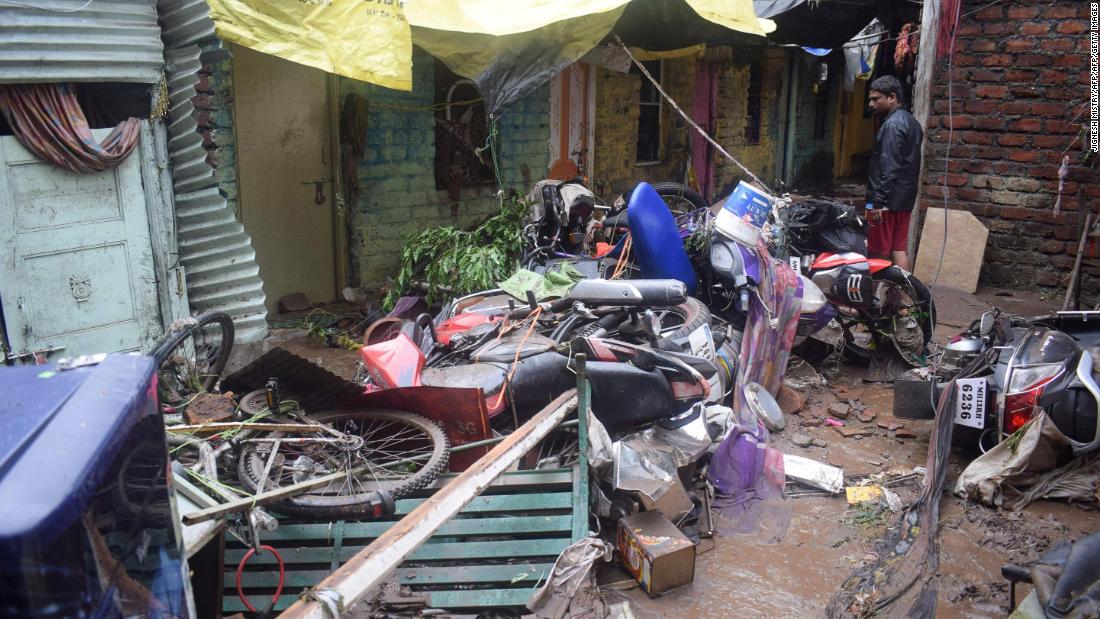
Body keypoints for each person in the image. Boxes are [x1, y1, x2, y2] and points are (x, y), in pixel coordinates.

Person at [864, 75, 923, 271]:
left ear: (892, 97)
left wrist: (877, 202)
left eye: (876, 99)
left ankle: (872, 299)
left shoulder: (893, 125)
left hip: (887, 202)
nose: (871, 104)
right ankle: (907, 296)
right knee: (898, 249)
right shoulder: (912, 122)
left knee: (878, 252)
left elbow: (889, 166)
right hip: (903, 198)